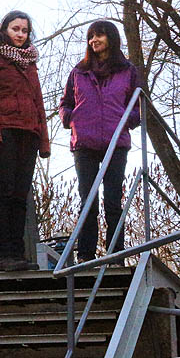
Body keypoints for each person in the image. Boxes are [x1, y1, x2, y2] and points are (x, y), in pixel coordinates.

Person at [59, 20, 141, 264]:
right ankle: (85, 255)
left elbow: (138, 103)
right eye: (91, 37)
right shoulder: (79, 71)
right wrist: (70, 119)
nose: (94, 41)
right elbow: (65, 103)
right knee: (88, 200)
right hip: (84, 143)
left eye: (99, 36)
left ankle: (115, 255)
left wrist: (128, 121)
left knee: (113, 200)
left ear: (111, 38)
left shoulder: (128, 71)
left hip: (116, 143)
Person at [0, 11, 51, 272]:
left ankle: (18, 253)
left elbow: (38, 102)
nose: (20, 34)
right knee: (4, 191)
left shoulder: (30, 63)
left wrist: (44, 140)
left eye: (24, 30)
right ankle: (4, 254)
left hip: (28, 133)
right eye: (15, 29)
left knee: (20, 195)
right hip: (4, 132)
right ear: (4, 29)